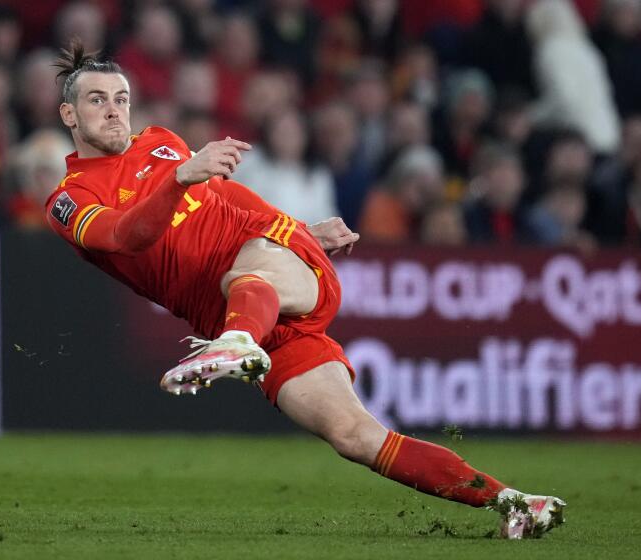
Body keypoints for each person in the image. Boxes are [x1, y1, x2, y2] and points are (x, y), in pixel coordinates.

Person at [44, 41, 565, 539]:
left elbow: (231, 196)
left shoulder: (161, 141)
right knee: (357, 437)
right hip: (247, 316)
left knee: (245, 273)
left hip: (268, 264)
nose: (114, 111)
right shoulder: (70, 199)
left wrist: (300, 231)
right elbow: (126, 237)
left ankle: (237, 341)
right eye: (97, 100)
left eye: (121, 99)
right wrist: (179, 178)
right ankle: (517, 503)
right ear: (70, 116)